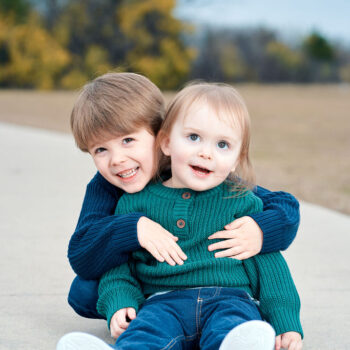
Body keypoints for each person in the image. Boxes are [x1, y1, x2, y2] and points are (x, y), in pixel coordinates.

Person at [58, 82, 303, 350]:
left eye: (128, 140)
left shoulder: (234, 194)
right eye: (100, 150)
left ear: (159, 137)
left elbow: (276, 235)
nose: (117, 159)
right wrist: (121, 295)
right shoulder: (115, 193)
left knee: (233, 325)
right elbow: (95, 257)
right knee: (144, 327)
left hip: (228, 298)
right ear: (168, 142)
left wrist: (260, 231)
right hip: (162, 298)